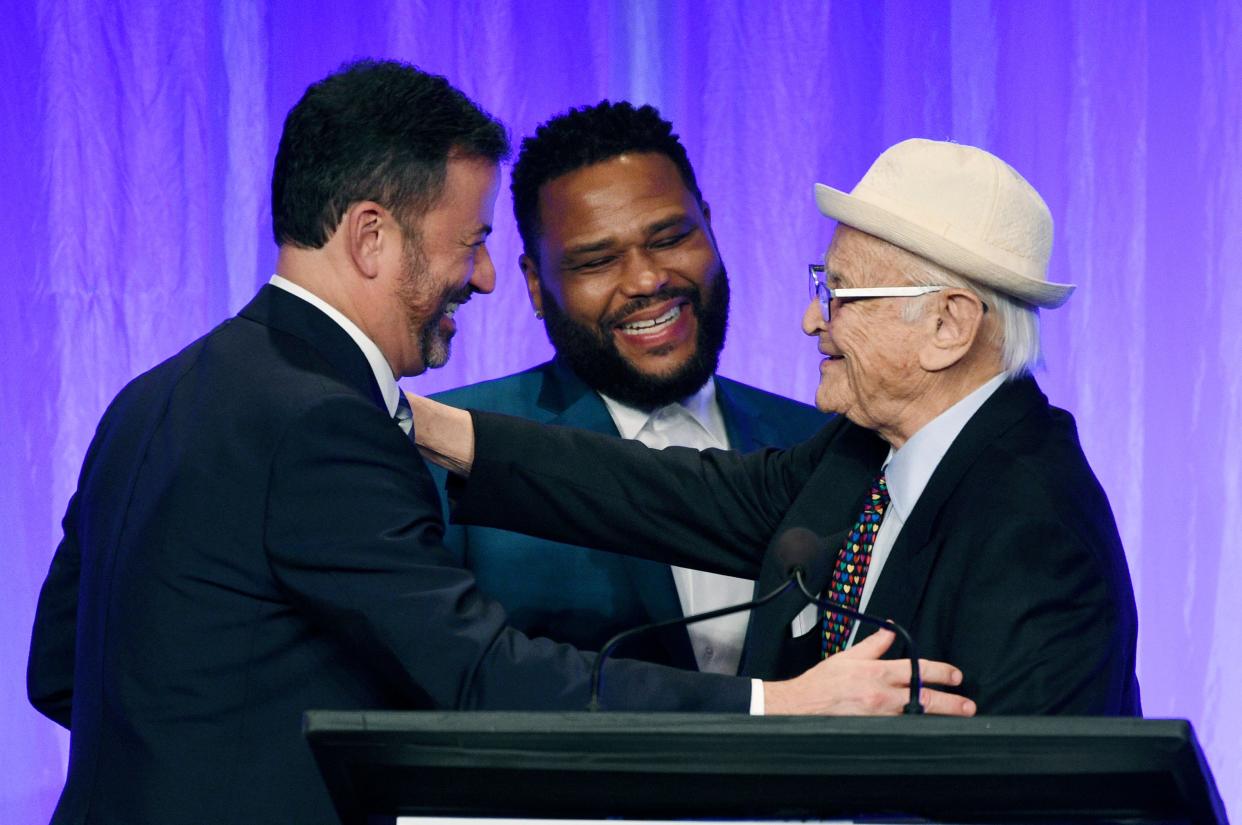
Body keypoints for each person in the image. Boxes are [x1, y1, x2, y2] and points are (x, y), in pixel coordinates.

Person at [27, 64, 973, 825]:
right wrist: (780, 707)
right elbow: (479, 673)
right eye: (469, 240)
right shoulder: (323, 419)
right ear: (370, 238)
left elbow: (63, 669)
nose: (479, 277)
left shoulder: (152, 395)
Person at [414, 138, 1142, 716]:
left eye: (841, 294)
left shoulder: (1032, 520)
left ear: (948, 325)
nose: (810, 319)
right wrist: (421, 421)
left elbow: (1021, 796)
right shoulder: (865, 454)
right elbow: (677, 494)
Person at [430, 101, 825, 674]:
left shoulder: (821, 443)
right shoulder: (455, 449)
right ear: (536, 286)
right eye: (597, 261)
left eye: (669, 238)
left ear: (711, 228)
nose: (647, 280)